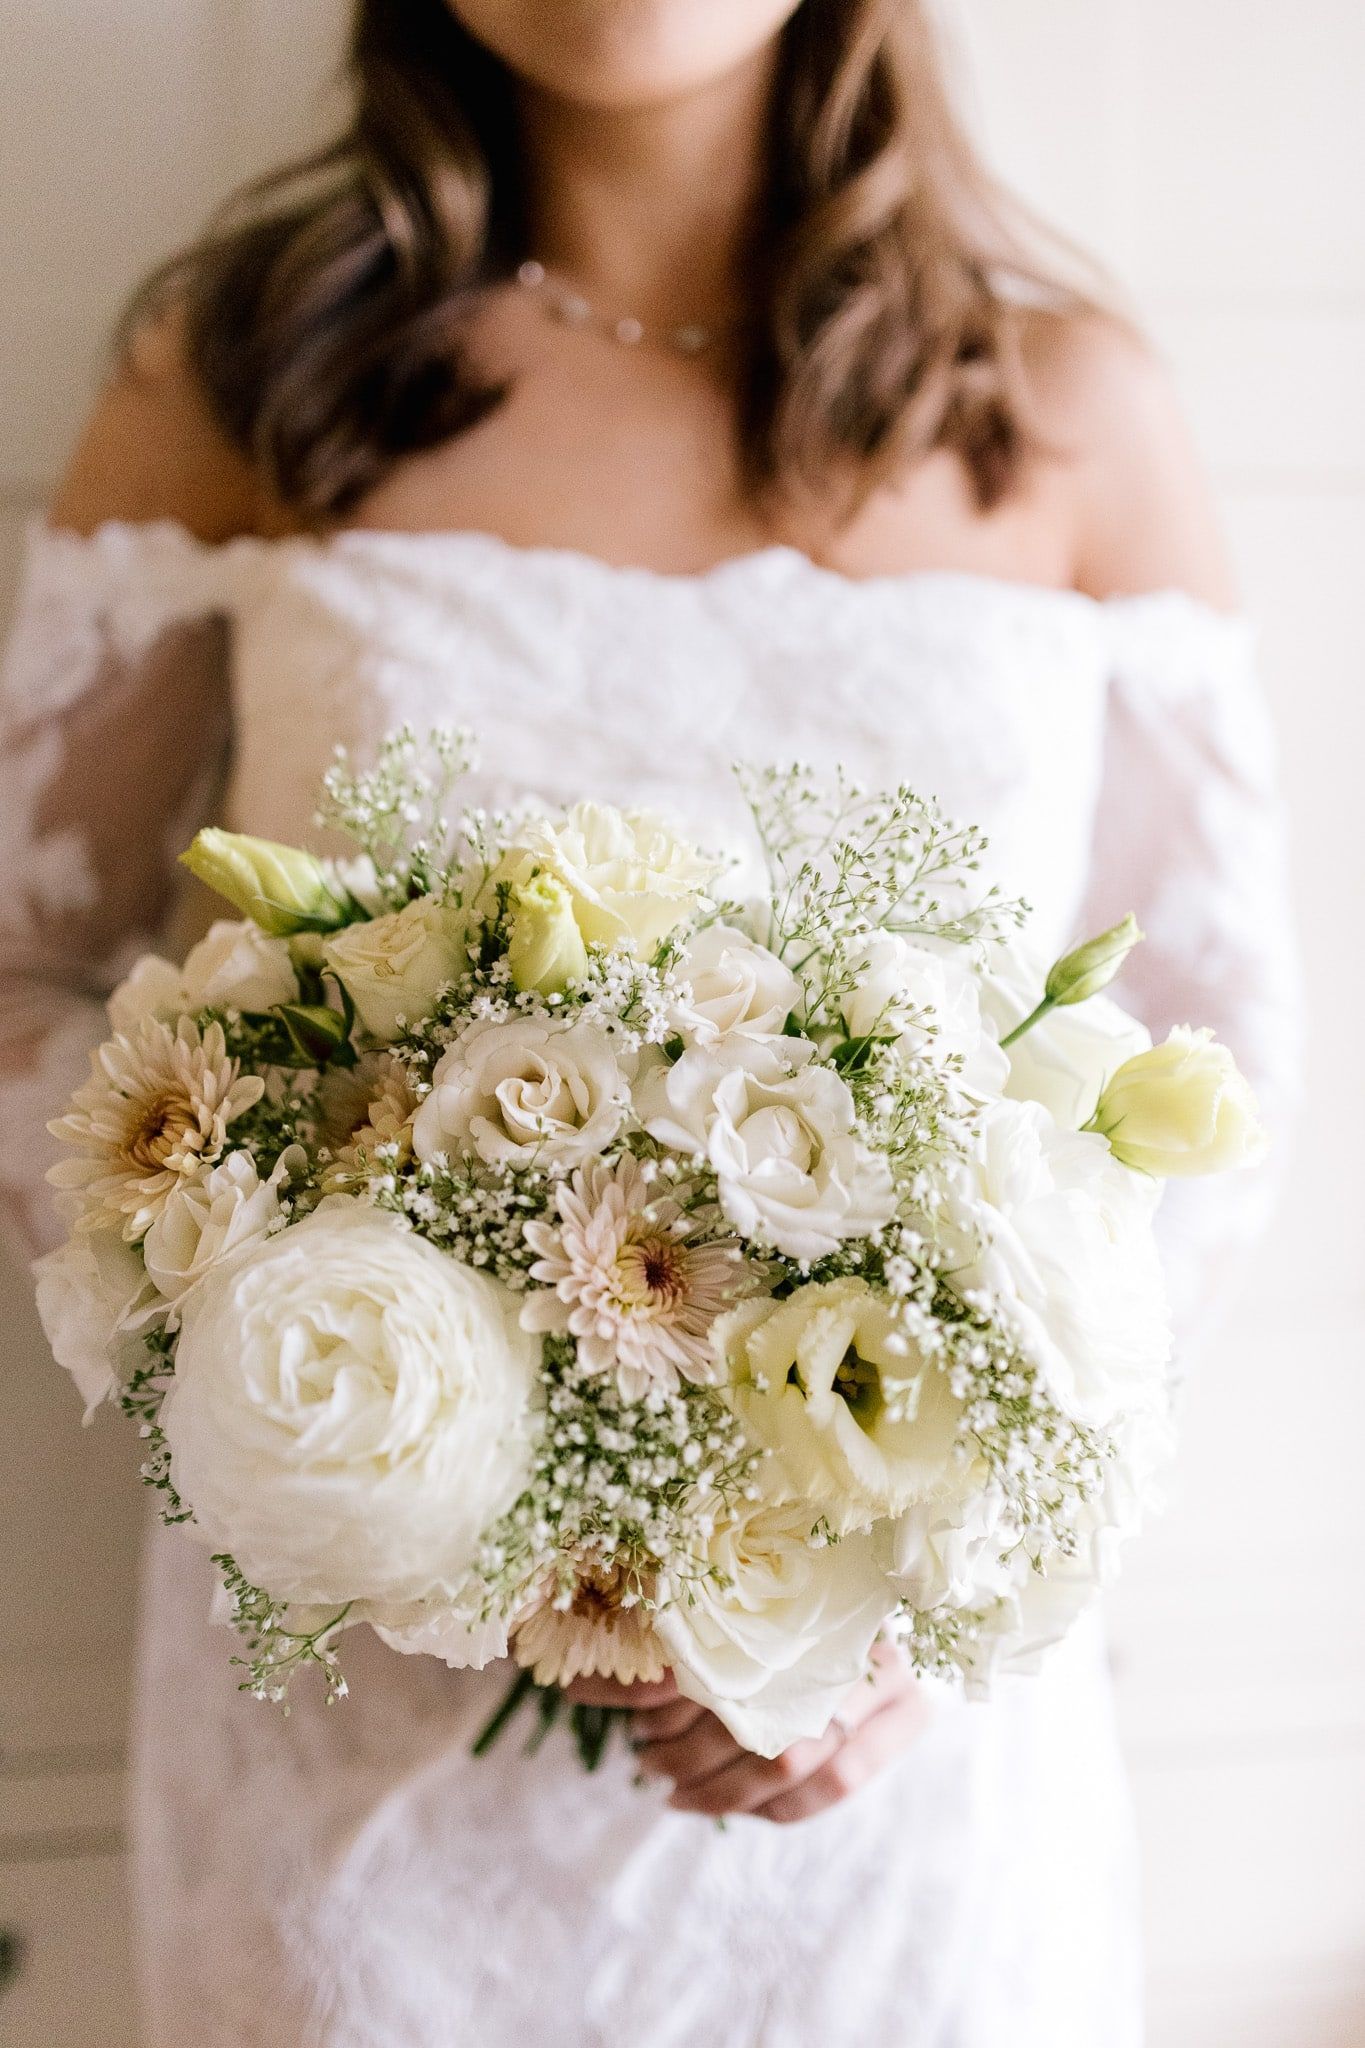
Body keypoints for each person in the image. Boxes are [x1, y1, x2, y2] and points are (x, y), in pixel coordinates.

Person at [0, 2, 1297, 2042]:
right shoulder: (246, 373)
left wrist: (911, 1606)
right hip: (364, 1791)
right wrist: (358, 1428)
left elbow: (1211, 1058)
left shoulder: (1059, 404)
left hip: (903, 1804)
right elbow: (29, 985)